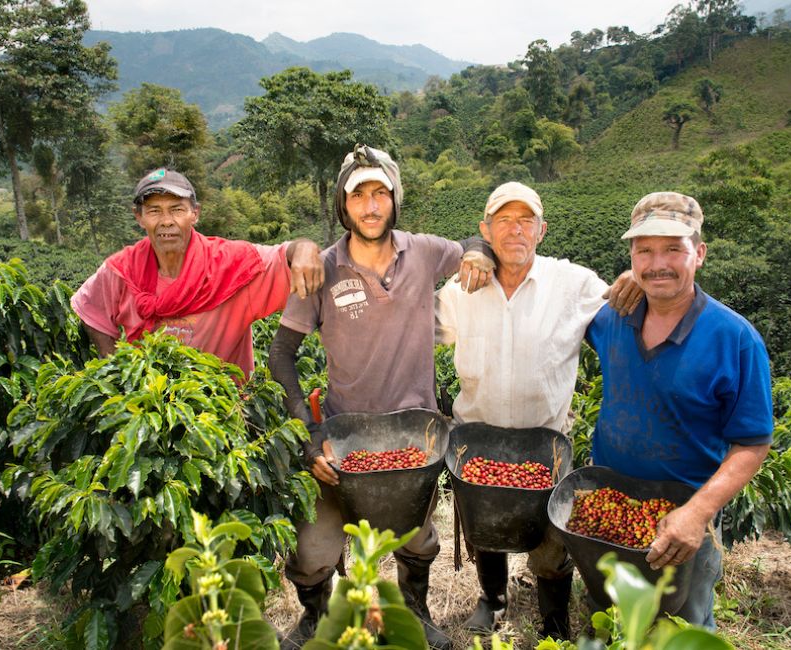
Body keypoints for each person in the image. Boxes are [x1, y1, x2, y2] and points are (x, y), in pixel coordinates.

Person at [268, 144, 495, 650]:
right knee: (311, 550)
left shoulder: (425, 252)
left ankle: (416, 612)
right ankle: (315, 618)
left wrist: (480, 251)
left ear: (395, 199)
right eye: (358, 197)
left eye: (380, 194)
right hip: (343, 443)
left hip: (413, 441)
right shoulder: (321, 269)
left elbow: (470, 247)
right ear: (342, 206)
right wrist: (309, 435)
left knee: (418, 539)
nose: (370, 207)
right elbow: (281, 355)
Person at [434, 181, 637, 641]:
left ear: (542, 231)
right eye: (503, 220)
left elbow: (624, 312)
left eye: (525, 220)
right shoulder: (461, 290)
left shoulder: (574, 284)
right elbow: (418, 333)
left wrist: (634, 281)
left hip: (543, 446)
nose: (515, 231)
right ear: (485, 230)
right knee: (486, 529)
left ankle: (553, 619)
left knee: (550, 544)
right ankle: (492, 598)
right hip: (479, 444)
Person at [585, 191, 773, 628]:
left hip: (685, 514)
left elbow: (752, 443)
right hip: (610, 506)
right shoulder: (610, 319)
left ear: (700, 253)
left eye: (674, 248)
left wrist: (697, 513)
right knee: (609, 618)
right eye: (644, 251)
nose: (658, 263)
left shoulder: (735, 339)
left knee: (680, 627)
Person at [71, 168, 323, 377]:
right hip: (146, 410)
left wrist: (305, 248)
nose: (166, 221)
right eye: (154, 211)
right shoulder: (122, 270)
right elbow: (90, 307)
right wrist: (116, 369)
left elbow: (283, 256)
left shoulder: (231, 265)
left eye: (177, 209)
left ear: (195, 214)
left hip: (222, 414)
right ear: (140, 217)